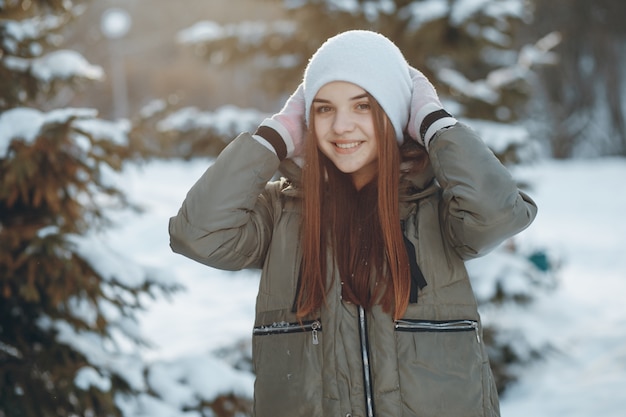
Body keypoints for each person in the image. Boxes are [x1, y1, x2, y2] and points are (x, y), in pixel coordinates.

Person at [169, 30, 537, 417]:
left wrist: (435, 123)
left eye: (362, 106)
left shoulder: (437, 206)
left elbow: (498, 214)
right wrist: (273, 137)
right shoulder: (282, 211)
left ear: (396, 114)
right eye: (324, 109)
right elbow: (197, 235)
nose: (341, 126)